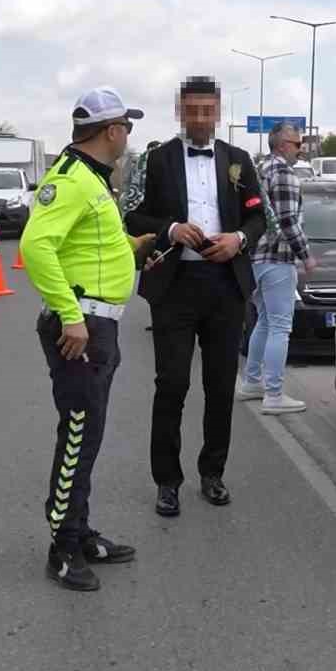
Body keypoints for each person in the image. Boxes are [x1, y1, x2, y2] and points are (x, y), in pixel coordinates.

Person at [21, 86, 154, 592]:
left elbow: (91, 244)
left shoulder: (96, 180)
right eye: (128, 128)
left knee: (88, 436)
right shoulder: (73, 180)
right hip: (82, 330)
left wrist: (133, 247)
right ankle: (62, 548)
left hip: (99, 327)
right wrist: (70, 316)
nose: (128, 137)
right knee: (77, 436)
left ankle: (80, 531)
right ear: (112, 131)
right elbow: (37, 246)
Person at [122, 76, 268, 518]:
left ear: (218, 112)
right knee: (172, 384)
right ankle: (167, 481)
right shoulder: (157, 159)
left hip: (226, 286)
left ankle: (212, 473)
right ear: (180, 112)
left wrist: (239, 240)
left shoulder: (239, 160)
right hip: (176, 286)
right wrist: (170, 229)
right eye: (193, 111)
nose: (201, 119)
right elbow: (132, 213)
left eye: (208, 111)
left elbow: (260, 218)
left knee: (220, 385)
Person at [238, 121, 314, 414]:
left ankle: (252, 382)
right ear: (282, 144)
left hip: (256, 258)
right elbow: (287, 221)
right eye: (297, 144)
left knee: (265, 322)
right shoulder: (283, 173)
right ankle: (274, 394)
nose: (301, 148)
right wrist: (306, 255)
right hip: (277, 258)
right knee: (281, 326)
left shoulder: (261, 170)